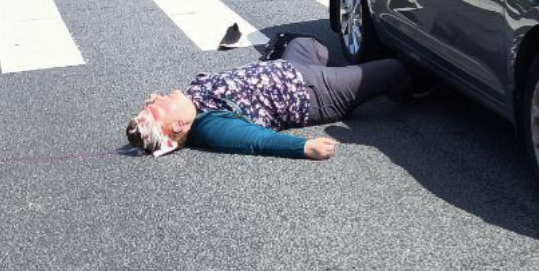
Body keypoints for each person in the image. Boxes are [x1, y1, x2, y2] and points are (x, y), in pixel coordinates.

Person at [126, 29, 422, 159]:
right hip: (314, 92)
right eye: (156, 108)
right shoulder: (210, 126)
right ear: (178, 126)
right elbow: (257, 141)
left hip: (289, 67)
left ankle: (358, 80)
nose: (154, 97)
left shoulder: (193, 98)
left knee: (307, 40)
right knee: (393, 69)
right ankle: (414, 88)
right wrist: (304, 148)